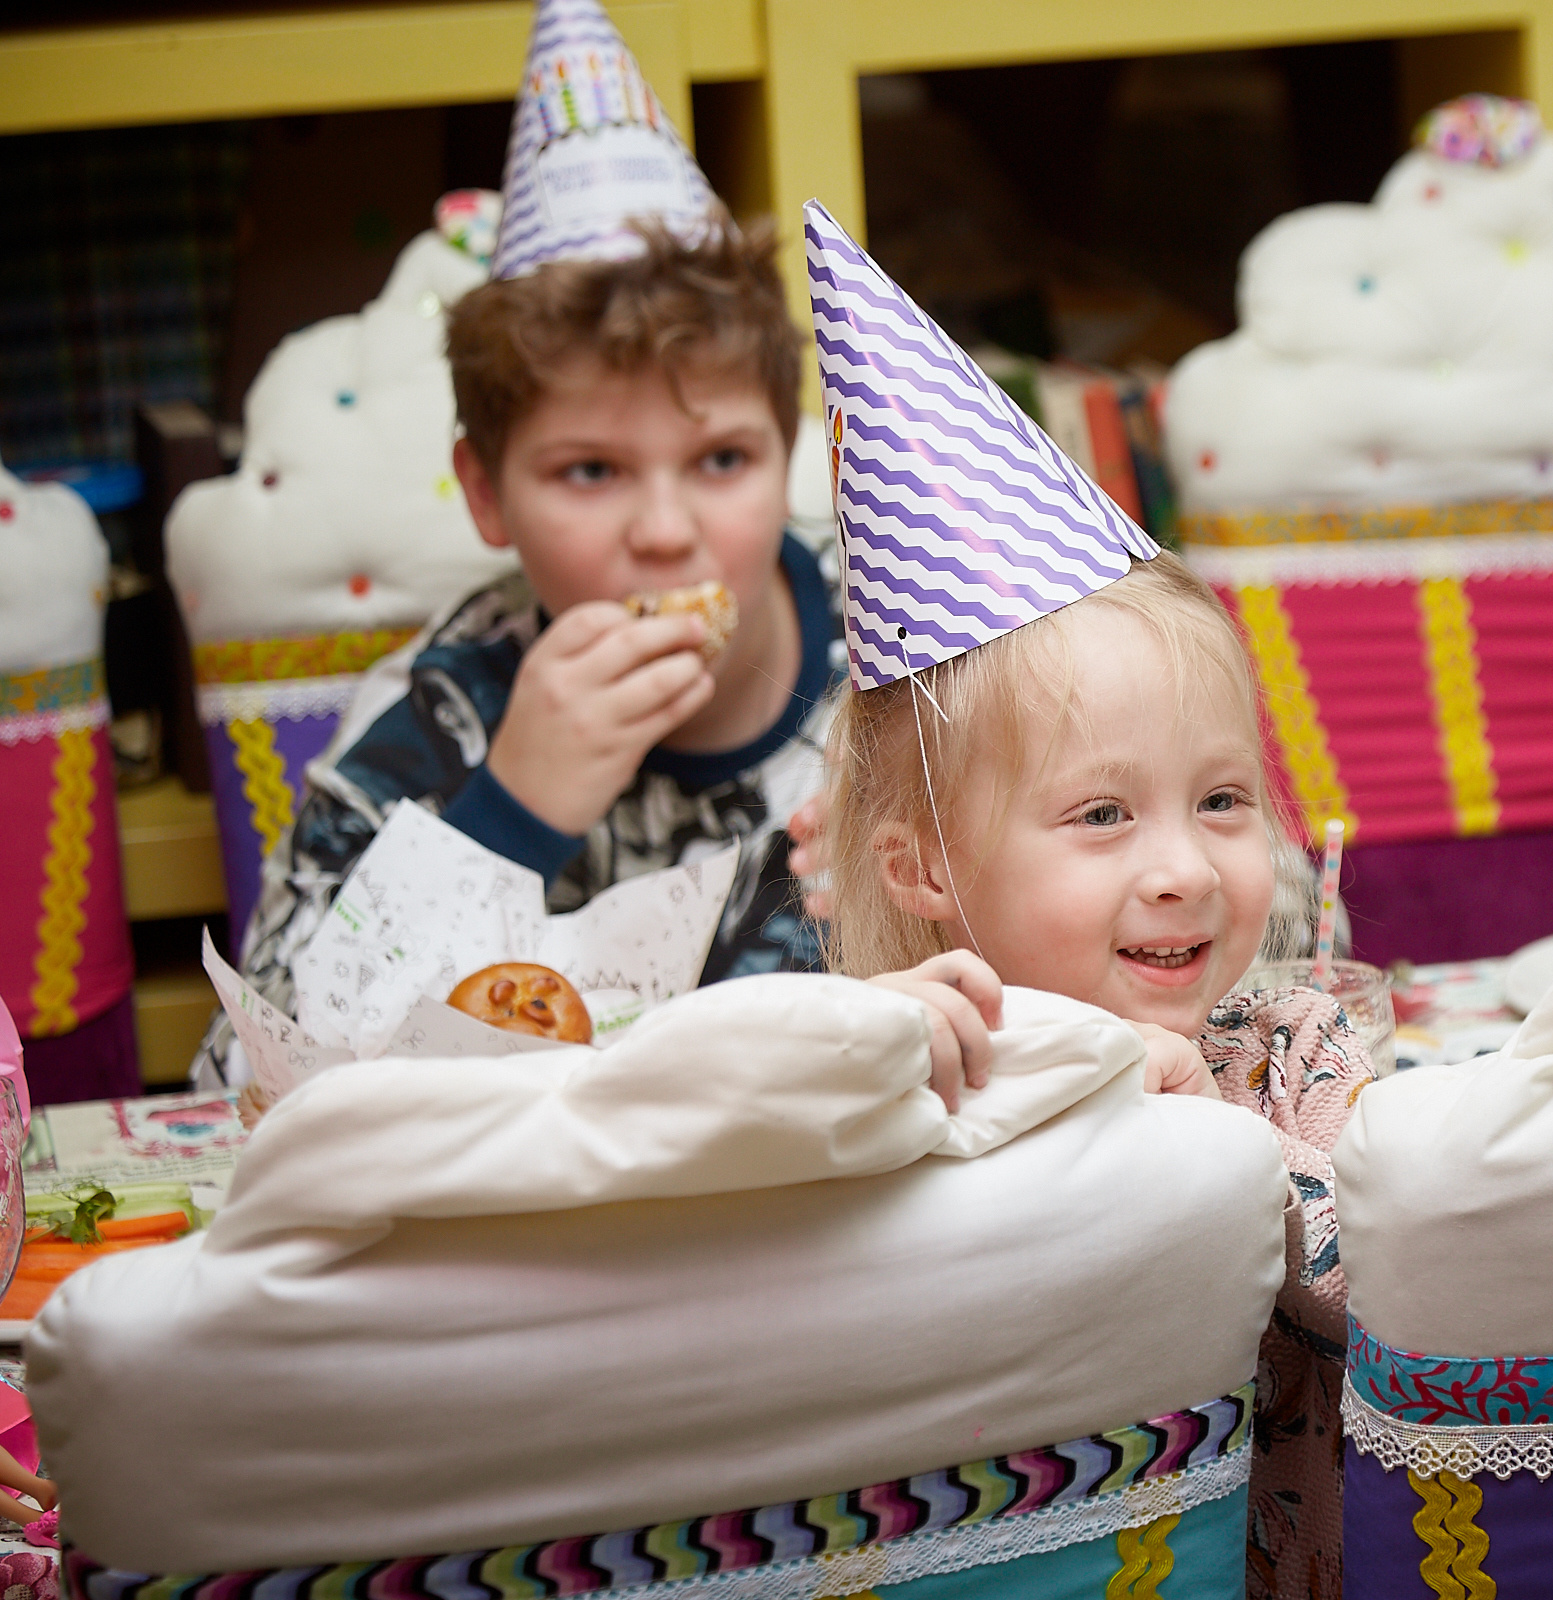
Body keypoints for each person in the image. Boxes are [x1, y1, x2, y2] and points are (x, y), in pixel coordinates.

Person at [805, 200, 1372, 1600]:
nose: (1183, 865)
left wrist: (1239, 1166)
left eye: (1222, 802)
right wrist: (881, 1085)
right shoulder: (903, 1064)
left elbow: (1398, 1284)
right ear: (924, 868)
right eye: (1104, 815)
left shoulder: (1286, 1055)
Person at [193, 0, 837, 1086]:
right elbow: (244, 1086)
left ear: (787, 449)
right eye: (590, 471)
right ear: (485, 495)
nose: (666, 532)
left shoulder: (926, 653)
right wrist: (503, 823)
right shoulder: (435, 714)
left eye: (722, 460)